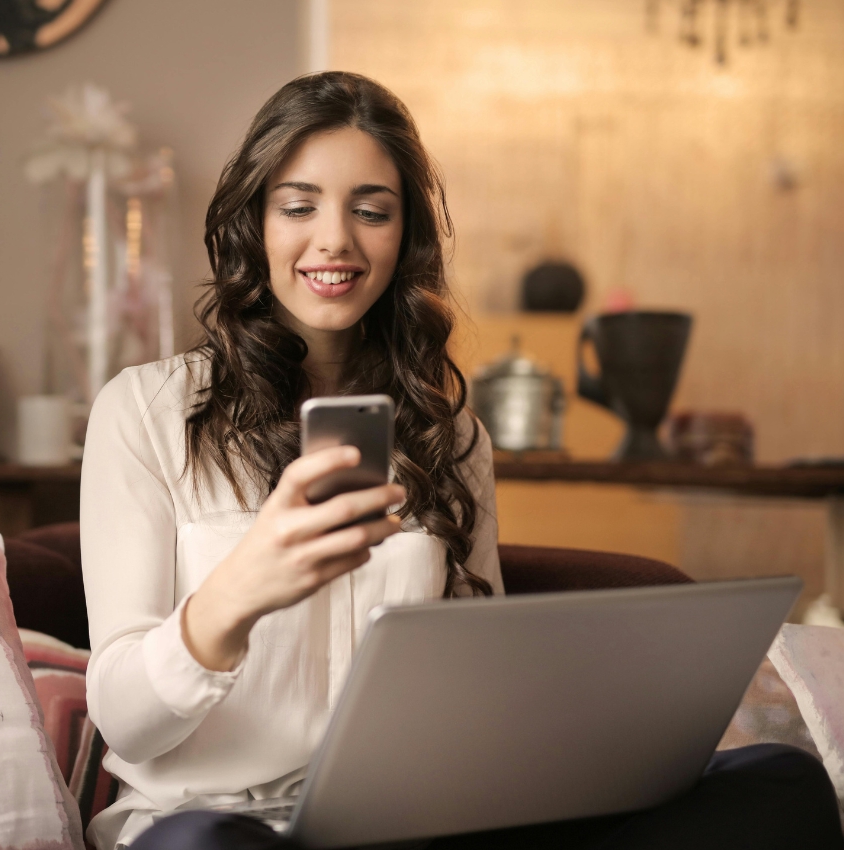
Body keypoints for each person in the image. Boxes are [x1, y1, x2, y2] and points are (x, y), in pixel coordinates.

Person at [81, 72, 843, 850]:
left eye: (371, 211)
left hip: (409, 823)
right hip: (220, 825)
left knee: (784, 784)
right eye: (299, 206)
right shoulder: (146, 413)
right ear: (255, 223)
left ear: (404, 236)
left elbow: (477, 685)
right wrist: (234, 595)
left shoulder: (452, 438)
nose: (335, 239)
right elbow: (126, 722)